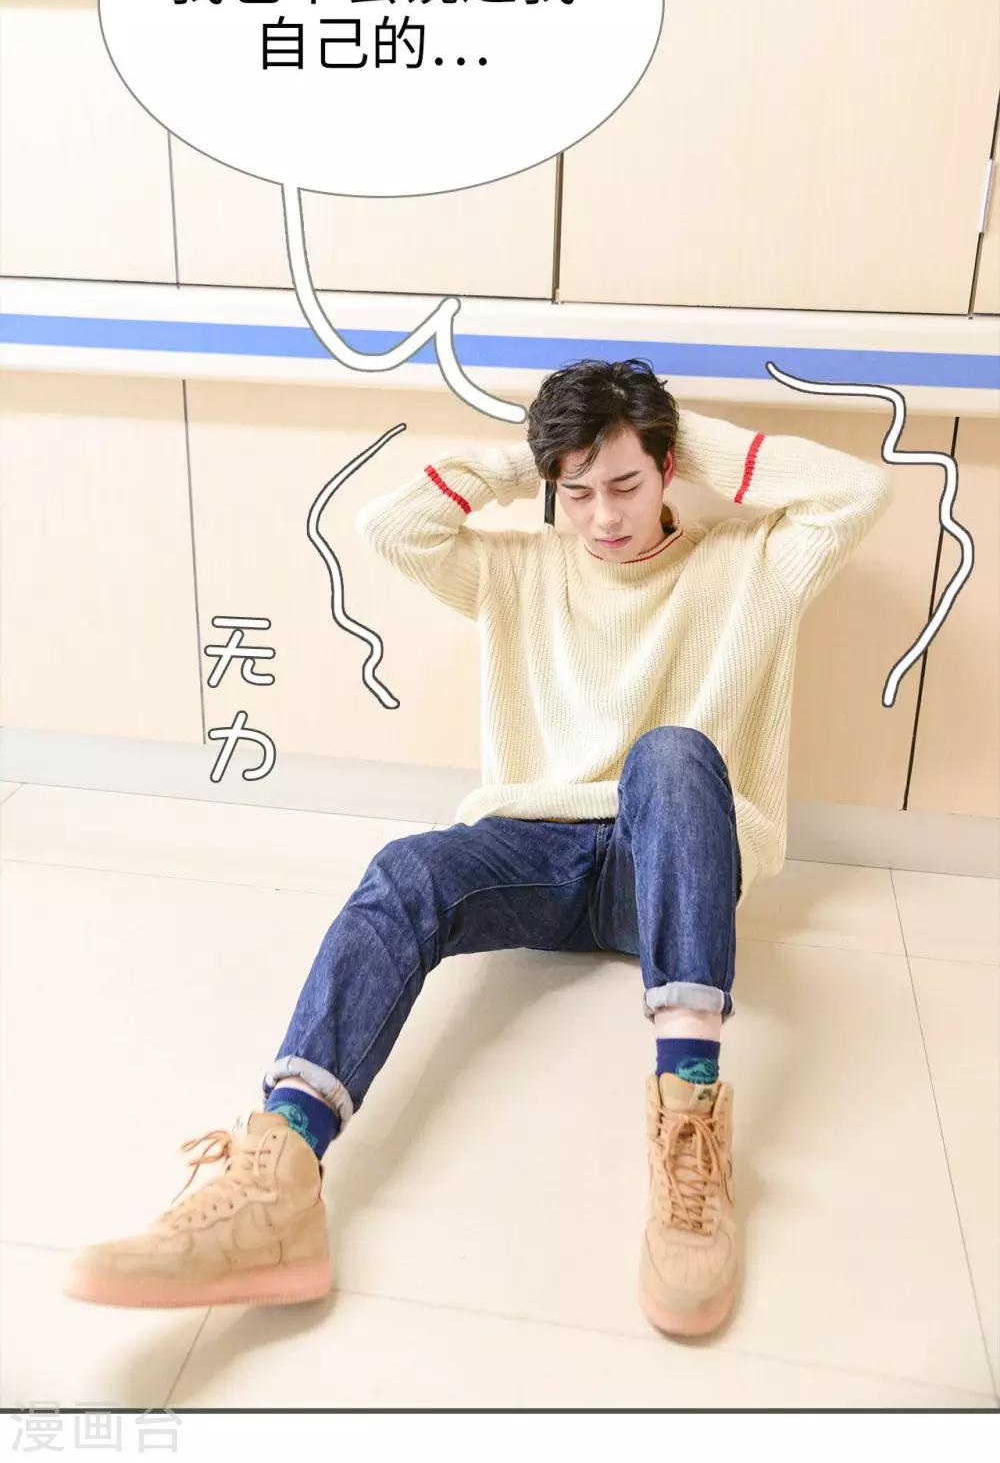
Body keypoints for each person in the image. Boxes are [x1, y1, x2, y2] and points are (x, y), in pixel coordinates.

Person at [64, 358, 893, 1335]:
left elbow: (858, 491)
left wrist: (666, 431)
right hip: (534, 853)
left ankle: (689, 1117)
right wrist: (531, 456)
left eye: (625, 483)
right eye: (575, 492)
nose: (601, 516)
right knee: (405, 869)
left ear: (669, 468)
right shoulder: (518, 568)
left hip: (667, 865)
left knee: (670, 751)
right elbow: (390, 526)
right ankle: (280, 1168)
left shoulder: (752, 564)